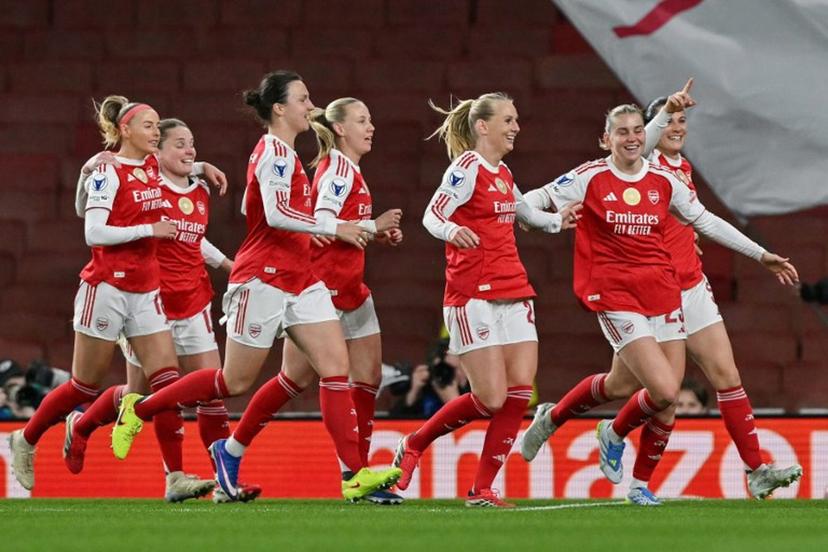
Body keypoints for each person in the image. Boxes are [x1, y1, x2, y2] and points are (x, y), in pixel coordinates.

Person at [107, 71, 402, 503]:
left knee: (335, 366)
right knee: (234, 380)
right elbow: (277, 214)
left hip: (301, 278)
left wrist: (317, 229)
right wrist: (331, 225)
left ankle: (353, 474)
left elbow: (256, 206)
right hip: (262, 278)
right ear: (279, 108)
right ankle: (142, 406)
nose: (309, 106)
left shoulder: (282, 154)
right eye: (302, 99)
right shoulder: (275, 154)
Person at [518, 95, 799, 504]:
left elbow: (701, 219)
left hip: (676, 289)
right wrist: (546, 221)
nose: (677, 128)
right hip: (619, 293)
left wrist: (759, 254)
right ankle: (597, 430)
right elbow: (539, 198)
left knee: (685, 382)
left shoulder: (674, 174)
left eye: (683, 121)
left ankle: (673, 477)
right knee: (662, 392)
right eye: (669, 122)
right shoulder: (603, 171)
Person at [6, 96, 225, 493]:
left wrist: (201, 166)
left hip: (146, 292)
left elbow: (180, 166)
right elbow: (93, 231)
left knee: (167, 383)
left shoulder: (151, 168)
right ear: (125, 130)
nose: (156, 133)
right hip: (106, 287)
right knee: (83, 386)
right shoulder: (108, 171)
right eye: (149, 126)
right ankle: (26, 438)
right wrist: (147, 229)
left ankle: (174, 477)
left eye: (159, 127)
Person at [205, 96, 405, 504]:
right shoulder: (334, 172)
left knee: (362, 378)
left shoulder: (349, 170)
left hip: (350, 287)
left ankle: (358, 473)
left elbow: (333, 226)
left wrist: (372, 233)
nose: (371, 127)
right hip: (323, 287)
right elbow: (322, 224)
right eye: (362, 120)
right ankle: (351, 472)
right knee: (292, 380)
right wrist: (367, 225)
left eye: (371, 119)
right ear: (341, 129)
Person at [393, 92, 582, 508]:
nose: (516, 127)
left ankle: (482, 488)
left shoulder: (503, 172)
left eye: (516, 120)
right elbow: (432, 214)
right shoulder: (466, 168)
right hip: (472, 294)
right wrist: (450, 231)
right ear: (483, 126)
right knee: (490, 398)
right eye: (508, 120)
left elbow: (523, 214)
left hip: (514, 289)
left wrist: (557, 220)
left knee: (518, 393)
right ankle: (414, 443)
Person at [61, 118, 253, 503]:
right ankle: (83, 426)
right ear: (156, 152)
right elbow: (100, 216)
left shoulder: (198, 191)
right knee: (142, 393)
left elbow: (191, 238)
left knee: (211, 393)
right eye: (179, 144)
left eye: (192, 144)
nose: (190, 151)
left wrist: (225, 264)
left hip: (193, 300)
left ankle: (225, 482)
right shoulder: (144, 193)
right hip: (149, 302)